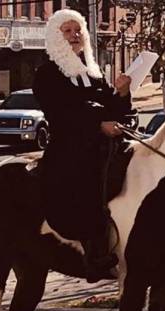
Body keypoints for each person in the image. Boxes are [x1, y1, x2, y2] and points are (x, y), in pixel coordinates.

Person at [33, 9, 132, 283]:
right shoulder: (47, 74)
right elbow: (63, 112)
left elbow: (112, 109)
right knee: (86, 182)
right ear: (56, 37)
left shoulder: (93, 73)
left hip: (104, 145)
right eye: (68, 31)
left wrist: (122, 94)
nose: (75, 36)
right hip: (70, 149)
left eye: (78, 31)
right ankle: (95, 254)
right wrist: (98, 125)